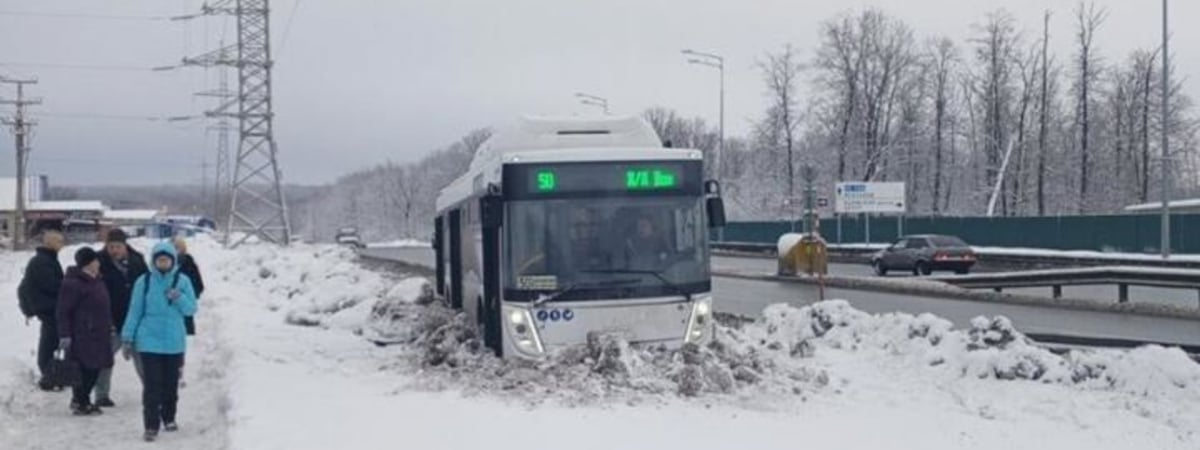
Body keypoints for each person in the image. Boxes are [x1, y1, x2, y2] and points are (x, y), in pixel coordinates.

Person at [121, 241, 198, 442]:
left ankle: (169, 417)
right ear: (154, 262)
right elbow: (134, 311)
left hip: (174, 341)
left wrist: (179, 297)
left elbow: (191, 309)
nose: (163, 263)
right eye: (159, 260)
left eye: (166, 260)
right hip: (148, 340)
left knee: (170, 384)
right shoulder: (143, 282)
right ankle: (151, 425)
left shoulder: (183, 281)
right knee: (152, 384)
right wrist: (127, 338)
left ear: (173, 261)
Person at [56, 247, 115, 416]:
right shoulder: (73, 283)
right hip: (83, 332)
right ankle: (81, 401)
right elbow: (63, 310)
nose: (98, 262)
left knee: (96, 367)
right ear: (88, 263)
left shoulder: (96, 280)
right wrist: (65, 334)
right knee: (86, 368)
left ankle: (81, 399)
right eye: (95, 260)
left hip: (99, 332)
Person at [95, 228, 149, 407]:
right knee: (105, 358)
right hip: (110, 320)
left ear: (125, 245)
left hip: (135, 320)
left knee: (141, 357)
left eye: (117, 246)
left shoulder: (137, 260)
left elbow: (147, 285)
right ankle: (101, 394)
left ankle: (151, 391)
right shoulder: (98, 262)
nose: (114, 250)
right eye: (110, 246)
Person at [17, 230, 66, 391]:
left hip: (47, 306)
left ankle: (52, 375)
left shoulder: (47, 259)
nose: (62, 244)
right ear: (50, 243)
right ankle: (49, 376)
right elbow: (51, 285)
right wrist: (66, 287)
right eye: (59, 241)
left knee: (51, 341)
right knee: (49, 342)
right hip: (47, 307)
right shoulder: (43, 262)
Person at [173, 236, 204, 334]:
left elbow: (199, 286)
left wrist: (185, 297)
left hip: (185, 312)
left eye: (177, 247)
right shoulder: (161, 266)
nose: (174, 251)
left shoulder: (190, 265)